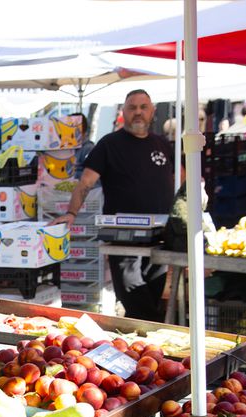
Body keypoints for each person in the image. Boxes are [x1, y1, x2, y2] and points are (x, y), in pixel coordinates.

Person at [57, 89, 174, 322]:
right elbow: (86, 183)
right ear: (123, 112)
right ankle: (146, 346)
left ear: (152, 112)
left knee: (152, 300)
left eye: (143, 107)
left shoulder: (162, 144)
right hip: (124, 241)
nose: (138, 112)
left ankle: (144, 348)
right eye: (132, 108)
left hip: (160, 239)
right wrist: (71, 213)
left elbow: (178, 178)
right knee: (136, 301)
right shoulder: (109, 144)